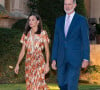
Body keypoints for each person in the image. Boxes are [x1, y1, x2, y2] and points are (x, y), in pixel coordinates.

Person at [51, 0, 90, 90]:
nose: (67, 6)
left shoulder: (81, 20)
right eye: (65, 4)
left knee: (71, 84)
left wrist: (86, 58)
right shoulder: (59, 21)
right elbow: (56, 41)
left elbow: (85, 40)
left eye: (69, 4)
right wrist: (53, 59)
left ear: (75, 5)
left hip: (75, 58)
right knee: (61, 83)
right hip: (61, 58)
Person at [14, 12, 50, 90]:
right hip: (29, 62)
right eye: (29, 20)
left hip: (39, 62)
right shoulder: (26, 34)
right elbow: (23, 51)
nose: (30, 22)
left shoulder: (43, 33)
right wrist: (17, 64)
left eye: (33, 20)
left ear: (38, 21)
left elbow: (47, 51)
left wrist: (47, 64)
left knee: (38, 84)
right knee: (30, 85)